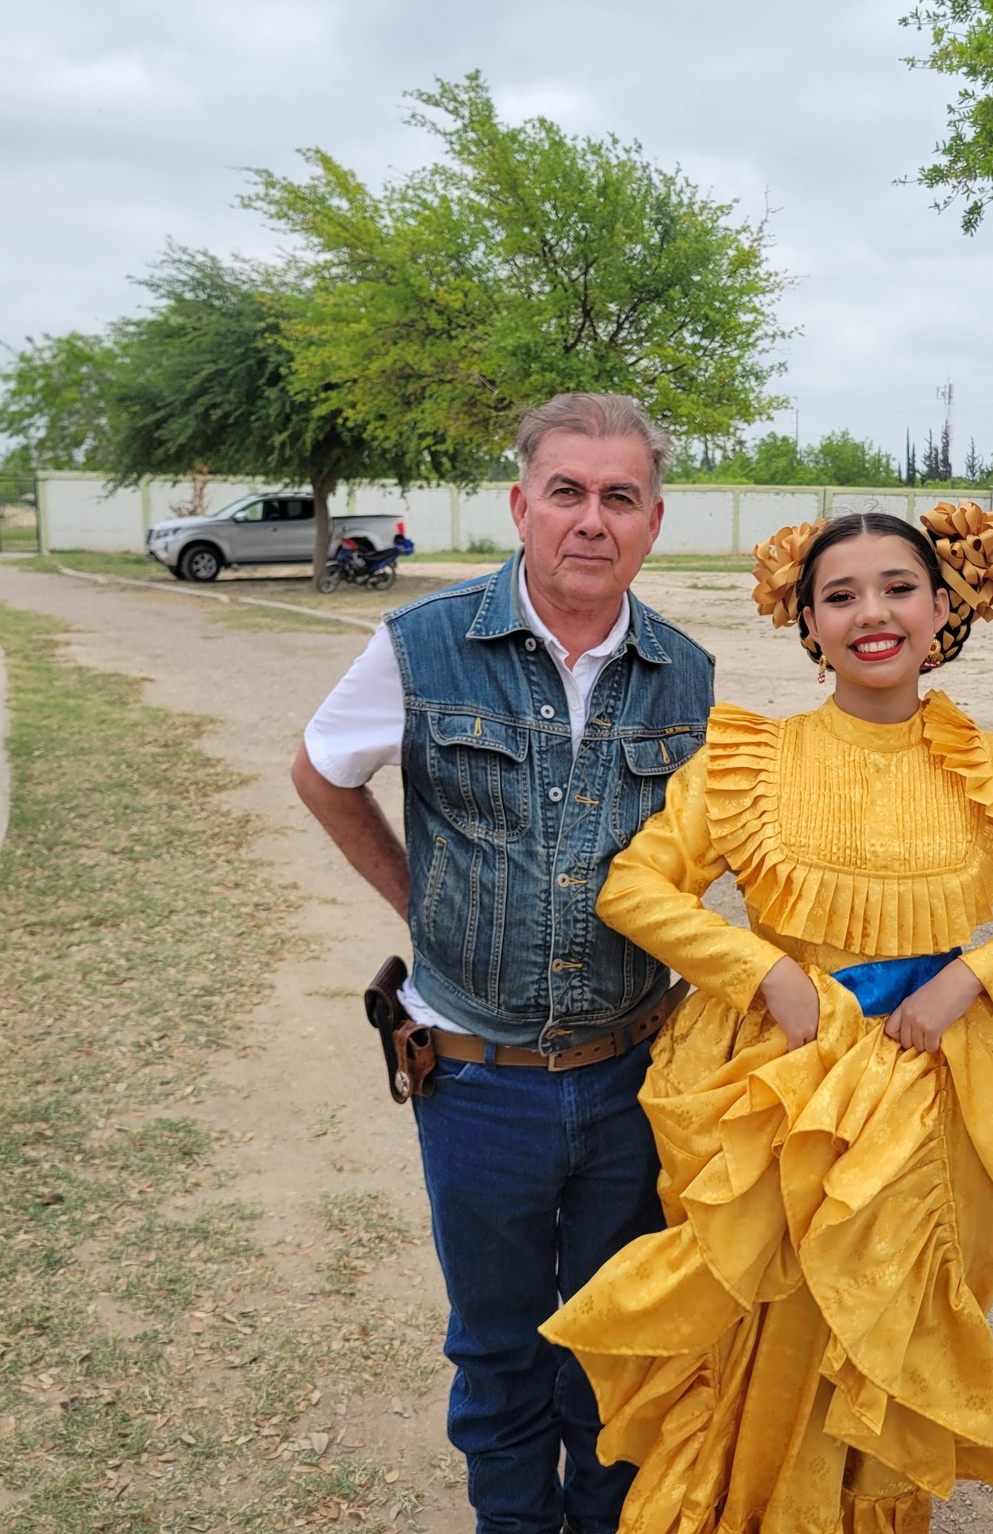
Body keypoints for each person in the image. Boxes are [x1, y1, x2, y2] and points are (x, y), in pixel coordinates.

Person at [542, 508, 993, 1532]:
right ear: (807, 621)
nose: (870, 614)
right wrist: (758, 972)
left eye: (897, 588)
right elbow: (635, 887)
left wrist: (977, 976)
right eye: (839, 596)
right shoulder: (751, 757)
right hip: (780, 1088)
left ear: (943, 607)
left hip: (932, 1104)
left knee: (888, 1339)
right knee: (758, 1334)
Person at [292, 394, 716, 1534]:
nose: (591, 520)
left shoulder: (689, 676)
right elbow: (322, 771)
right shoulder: (420, 645)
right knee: (497, 1354)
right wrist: (412, 898)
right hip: (474, 1083)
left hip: (632, 1077)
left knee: (613, 1349)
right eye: (566, 492)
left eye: (618, 497)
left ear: (653, 521)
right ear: (521, 503)